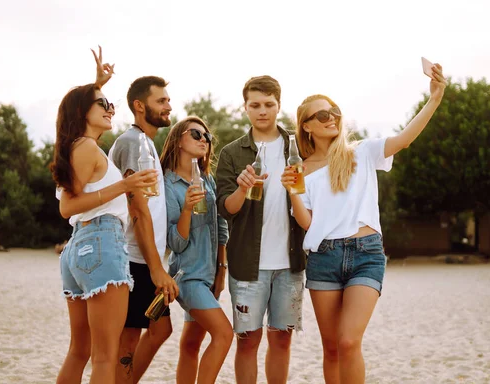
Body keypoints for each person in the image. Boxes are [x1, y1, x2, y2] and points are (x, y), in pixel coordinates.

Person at [283, 63, 447, 384]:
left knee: (348, 341)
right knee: (331, 349)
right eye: (321, 115)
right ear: (306, 127)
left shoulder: (361, 152)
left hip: (366, 255)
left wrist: (434, 99)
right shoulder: (301, 170)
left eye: (334, 111)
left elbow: (404, 139)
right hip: (323, 258)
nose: (330, 117)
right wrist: (291, 191)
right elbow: (307, 222)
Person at [52, 47, 158, 384]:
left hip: (79, 249)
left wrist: (97, 84)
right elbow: (68, 206)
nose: (112, 109)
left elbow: (76, 199)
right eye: (104, 104)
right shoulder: (84, 147)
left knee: (80, 352)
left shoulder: (80, 146)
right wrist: (124, 186)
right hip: (101, 243)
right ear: (84, 111)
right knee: (103, 358)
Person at [216, 75, 307, 384]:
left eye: (269, 104)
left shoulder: (298, 147)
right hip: (246, 265)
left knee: (282, 340)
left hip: (291, 264)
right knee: (247, 341)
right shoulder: (231, 153)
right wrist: (241, 189)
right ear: (245, 108)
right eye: (255, 105)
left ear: (279, 105)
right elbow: (225, 208)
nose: (262, 111)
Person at [109, 75, 179, 384]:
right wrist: (156, 268)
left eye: (167, 100)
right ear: (140, 105)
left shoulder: (146, 143)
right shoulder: (131, 141)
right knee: (128, 340)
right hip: (132, 257)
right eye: (161, 101)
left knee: (160, 329)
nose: (168, 106)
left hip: (145, 257)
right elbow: (137, 208)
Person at [160, 116, 233, 384]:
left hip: (209, 275)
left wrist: (221, 271)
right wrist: (188, 208)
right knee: (224, 334)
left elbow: (221, 227)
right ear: (179, 139)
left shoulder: (207, 180)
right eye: (196, 134)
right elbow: (175, 243)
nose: (204, 140)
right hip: (188, 277)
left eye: (207, 137)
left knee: (191, 344)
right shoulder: (167, 185)